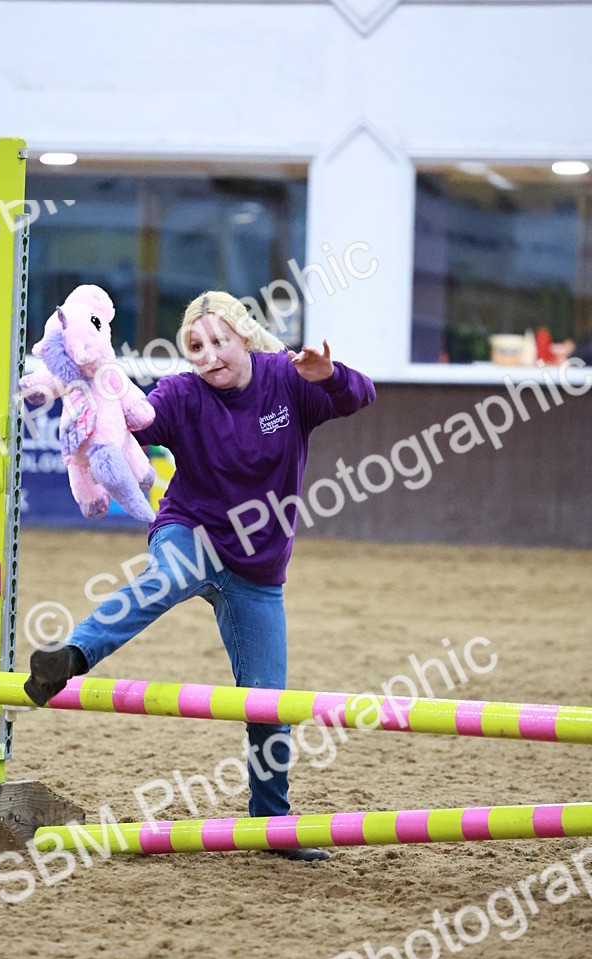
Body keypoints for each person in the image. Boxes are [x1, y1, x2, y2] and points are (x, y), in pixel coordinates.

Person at [24, 290, 376, 862]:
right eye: (196, 346)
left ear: (244, 338)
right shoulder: (184, 394)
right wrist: (91, 408)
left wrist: (330, 375)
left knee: (269, 704)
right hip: (191, 531)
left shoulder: (285, 379)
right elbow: (136, 423)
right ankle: (69, 658)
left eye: (220, 342)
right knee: (160, 581)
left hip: (258, 569)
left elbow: (362, 396)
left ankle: (272, 824)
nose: (210, 355)